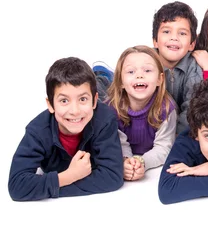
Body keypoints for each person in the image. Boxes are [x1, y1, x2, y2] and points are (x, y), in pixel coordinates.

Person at [8, 57, 123, 201]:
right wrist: (68, 176)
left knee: (114, 96)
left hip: (102, 101)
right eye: (64, 101)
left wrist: (52, 186)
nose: (74, 111)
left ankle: (102, 78)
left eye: (83, 99)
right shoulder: (38, 130)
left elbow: (113, 176)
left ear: (94, 101)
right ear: (50, 104)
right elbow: (17, 186)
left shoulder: (105, 119)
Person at [107, 45, 177, 181]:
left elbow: (163, 148)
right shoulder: (111, 109)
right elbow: (120, 144)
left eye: (147, 70)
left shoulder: (167, 109)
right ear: (120, 81)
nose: (139, 75)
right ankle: (102, 76)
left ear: (160, 79)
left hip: (144, 155)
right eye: (131, 71)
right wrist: (126, 162)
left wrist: (141, 162)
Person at [152, 1, 203, 134]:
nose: (174, 38)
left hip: (181, 130)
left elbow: (192, 107)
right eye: (167, 31)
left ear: (192, 44)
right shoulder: (147, 62)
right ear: (155, 41)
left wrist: (177, 139)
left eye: (182, 33)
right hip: (152, 125)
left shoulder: (194, 66)